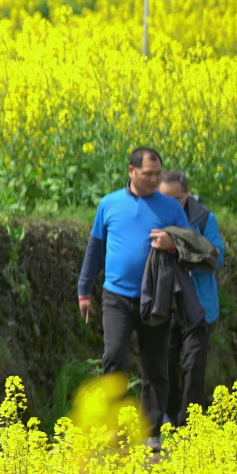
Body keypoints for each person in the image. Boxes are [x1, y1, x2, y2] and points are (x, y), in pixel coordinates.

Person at [76, 146, 187, 437]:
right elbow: (95, 249)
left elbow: (193, 247)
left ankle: (151, 432)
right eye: (148, 174)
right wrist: (84, 292)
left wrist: (171, 242)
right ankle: (110, 426)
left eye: (158, 174)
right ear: (131, 171)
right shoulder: (109, 204)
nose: (154, 179)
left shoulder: (171, 208)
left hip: (156, 298)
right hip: (116, 297)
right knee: (114, 357)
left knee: (155, 367)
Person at [158, 168, 226, 424]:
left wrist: (179, 248)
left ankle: (190, 425)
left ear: (187, 193)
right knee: (165, 364)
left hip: (199, 306)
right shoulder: (154, 214)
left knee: (193, 367)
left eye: (176, 198)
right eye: (164, 197)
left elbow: (216, 258)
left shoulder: (204, 218)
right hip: (166, 303)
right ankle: (171, 415)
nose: (170, 204)